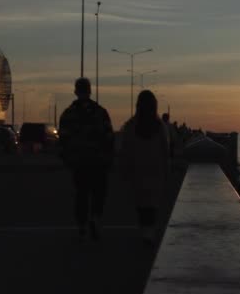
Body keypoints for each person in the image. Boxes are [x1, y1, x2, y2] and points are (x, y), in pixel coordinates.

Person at [58, 77, 115, 241]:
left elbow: (63, 140)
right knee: (98, 193)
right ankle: (95, 218)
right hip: (98, 161)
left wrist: (68, 159)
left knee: (81, 194)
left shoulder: (68, 114)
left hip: (79, 162)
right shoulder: (100, 112)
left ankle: (82, 224)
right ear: (90, 91)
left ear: (76, 91)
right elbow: (109, 137)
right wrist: (109, 158)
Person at [120, 90, 169, 246]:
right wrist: (166, 167)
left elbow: (125, 148)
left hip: (137, 169)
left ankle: (145, 229)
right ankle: (149, 230)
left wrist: (125, 168)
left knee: (141, 202)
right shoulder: (160, 126)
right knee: (152, 202)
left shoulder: (130, 126)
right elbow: (165, 149)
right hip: (155, 169)